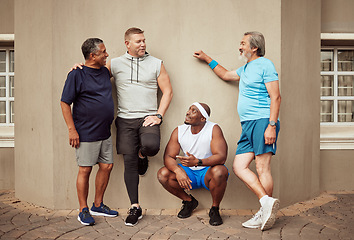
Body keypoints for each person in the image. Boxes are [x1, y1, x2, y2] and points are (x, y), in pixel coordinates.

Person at [193, 31, 281, 231]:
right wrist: (207, 58)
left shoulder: (265, 65)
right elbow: (225, 74)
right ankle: (266, 203)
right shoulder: (246, 68)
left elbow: (276, 97)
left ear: (254, 47)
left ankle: (264, 212)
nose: (240, 46)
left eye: (243, 43)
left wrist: (271, 125)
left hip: (262, 121)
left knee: (262, 168)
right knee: (239, 166)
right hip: (248, 124)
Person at [109, 27, 173, 226]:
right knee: (129, 164)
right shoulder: (115, 64)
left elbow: (168, 91)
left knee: (152, 146)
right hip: (125, 120)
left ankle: (142, 155)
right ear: (127, 44)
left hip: (148, 117)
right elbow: (93, 76)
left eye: (144, 40)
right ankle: (135, 206)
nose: (143, 44)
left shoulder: (156, 64)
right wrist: (79, 68)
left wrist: (159, 116)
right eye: (138, 41)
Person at [60, 38, 118, 226]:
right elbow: (64, 102)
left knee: (107, 166)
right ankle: (83, 210)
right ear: (92, 55)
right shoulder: (76, 75)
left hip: (105, 131)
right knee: (85, 169)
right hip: (85, 132)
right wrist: (72, 130)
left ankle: (98, 205)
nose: (106, 54)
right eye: (103, 52)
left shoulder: (104, 71)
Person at [157, 102, 228, 226]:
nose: (188, 112)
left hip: (207, 172)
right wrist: (178, 171)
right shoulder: (179, 130)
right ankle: (189, 201)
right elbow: (168, 156)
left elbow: (221, 157)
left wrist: (198, 162)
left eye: (193, 111)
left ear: (203, 118)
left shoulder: (213, 128)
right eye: (189, 109)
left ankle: (215, 209)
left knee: (220, 171)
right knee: (163, 174)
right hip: (188, 173)